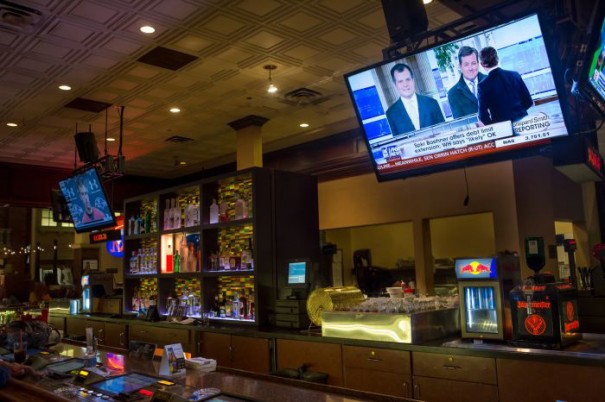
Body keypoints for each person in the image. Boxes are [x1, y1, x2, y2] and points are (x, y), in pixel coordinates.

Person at [477, 46, 533, 126]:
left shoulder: (482, 86)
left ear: (482, 64)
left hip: (503, 128)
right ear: (497, 59)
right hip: (524, 123)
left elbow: (483, 116)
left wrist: (496, 126)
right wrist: (519, 113)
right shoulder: (515, 75)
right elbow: (528, 102)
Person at [385, 63, 445, 136]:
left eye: (408, 79)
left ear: (413, 80)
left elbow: (444, 132)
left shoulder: (432, 103)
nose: (405, 84)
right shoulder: (391, 113)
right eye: (400, 81)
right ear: (395, 85)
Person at [447, 46, 487, 119]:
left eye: (473, 63)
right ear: (460, 67)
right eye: (466, 64)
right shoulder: (453, 94)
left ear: (478, 64)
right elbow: (461, 123)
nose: (470, 68)